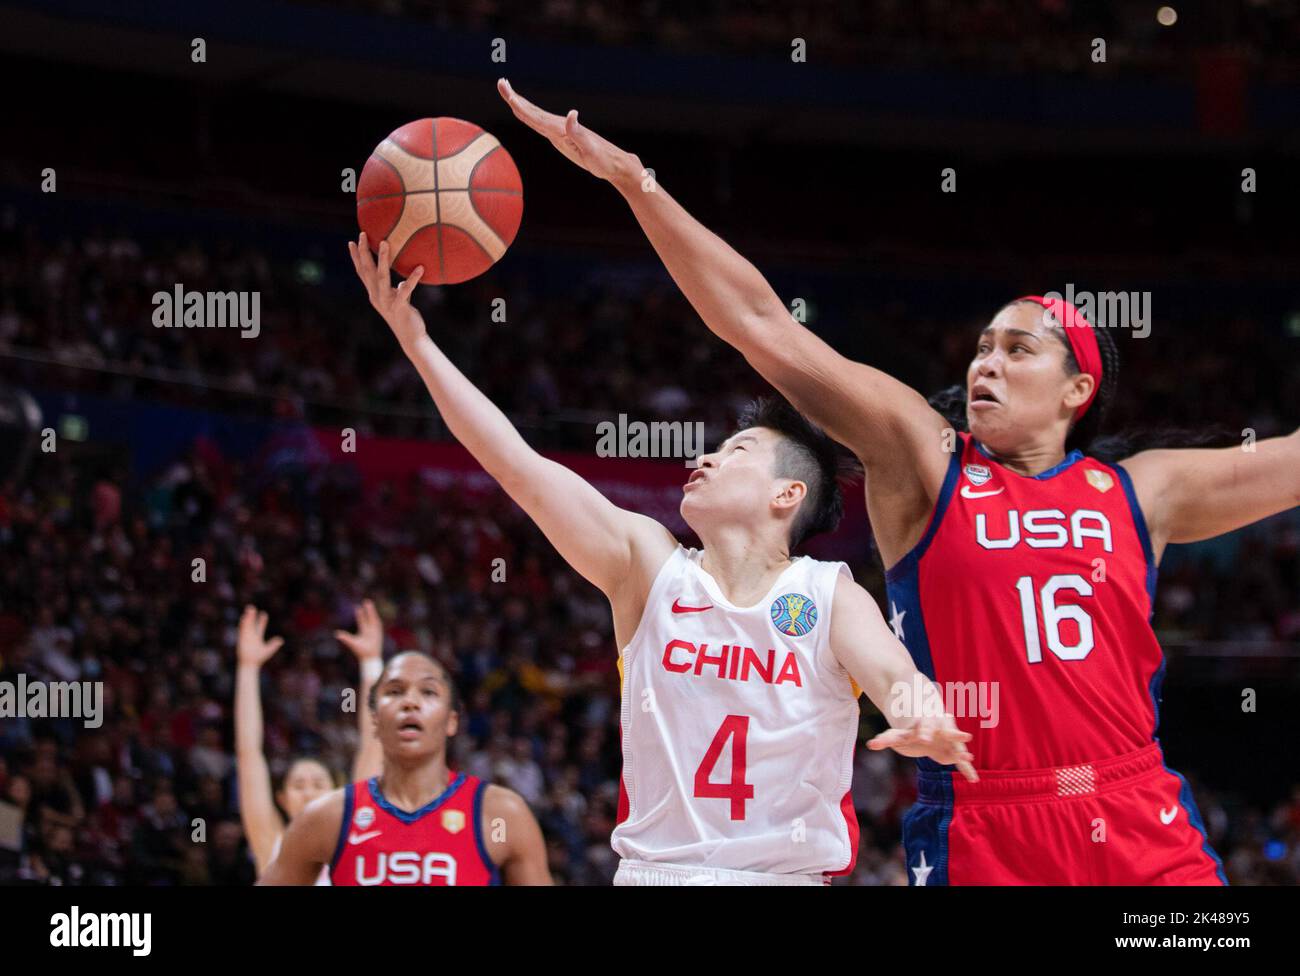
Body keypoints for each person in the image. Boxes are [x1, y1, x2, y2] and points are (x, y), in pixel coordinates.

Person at [497, 79, 1300, 884]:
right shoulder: (927, 457)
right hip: (986, 820)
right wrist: (638, 184)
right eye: (983, 345)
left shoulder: (1143, 490)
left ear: (1076, 391)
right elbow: (761, 324)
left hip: (1134, 811)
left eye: (1018, 350)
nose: (986, 361)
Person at [344, 229, 975, 886]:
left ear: (787, 494)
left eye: (734, 453)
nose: (703, 459)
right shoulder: (647, 565)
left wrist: (920, 716)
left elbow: (894, 676)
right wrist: (415, 339)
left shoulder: (830, 593)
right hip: (655, 874)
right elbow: (517, 466)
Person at [258, 651, 551, 885]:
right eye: (395, 691)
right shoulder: (325, 818)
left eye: (428, 692)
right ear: (374, 718)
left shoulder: (502, 814)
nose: (410, 702)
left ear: (451, 721)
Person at [236, 601, 385, 883]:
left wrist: (371, 663)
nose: (308, 793)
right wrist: (248, 667)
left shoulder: (355, 842)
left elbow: (374, 745)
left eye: (318, 785)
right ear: (282, 799)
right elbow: (249, 754)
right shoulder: (272, 846)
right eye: (298, 785)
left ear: (335, 794)